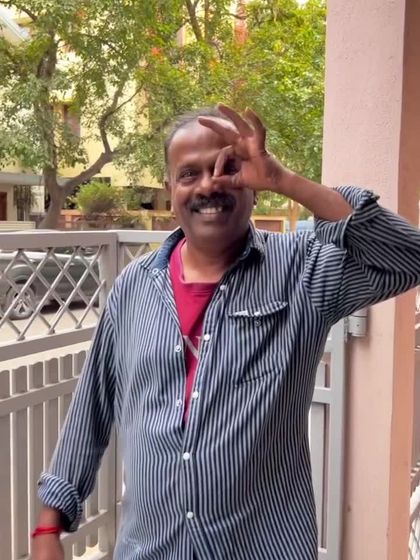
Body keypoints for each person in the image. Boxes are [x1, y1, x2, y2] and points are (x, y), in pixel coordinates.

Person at [32, 104, 420, 560]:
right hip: (150, 549)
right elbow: (91, 406)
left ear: (253, 185)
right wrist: (48, 527)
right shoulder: (134, 286)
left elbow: (407, 256)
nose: (208, 185)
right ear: (170, 189)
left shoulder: (301, 269)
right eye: (189, 174)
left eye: (227, 168)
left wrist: (285, 180)